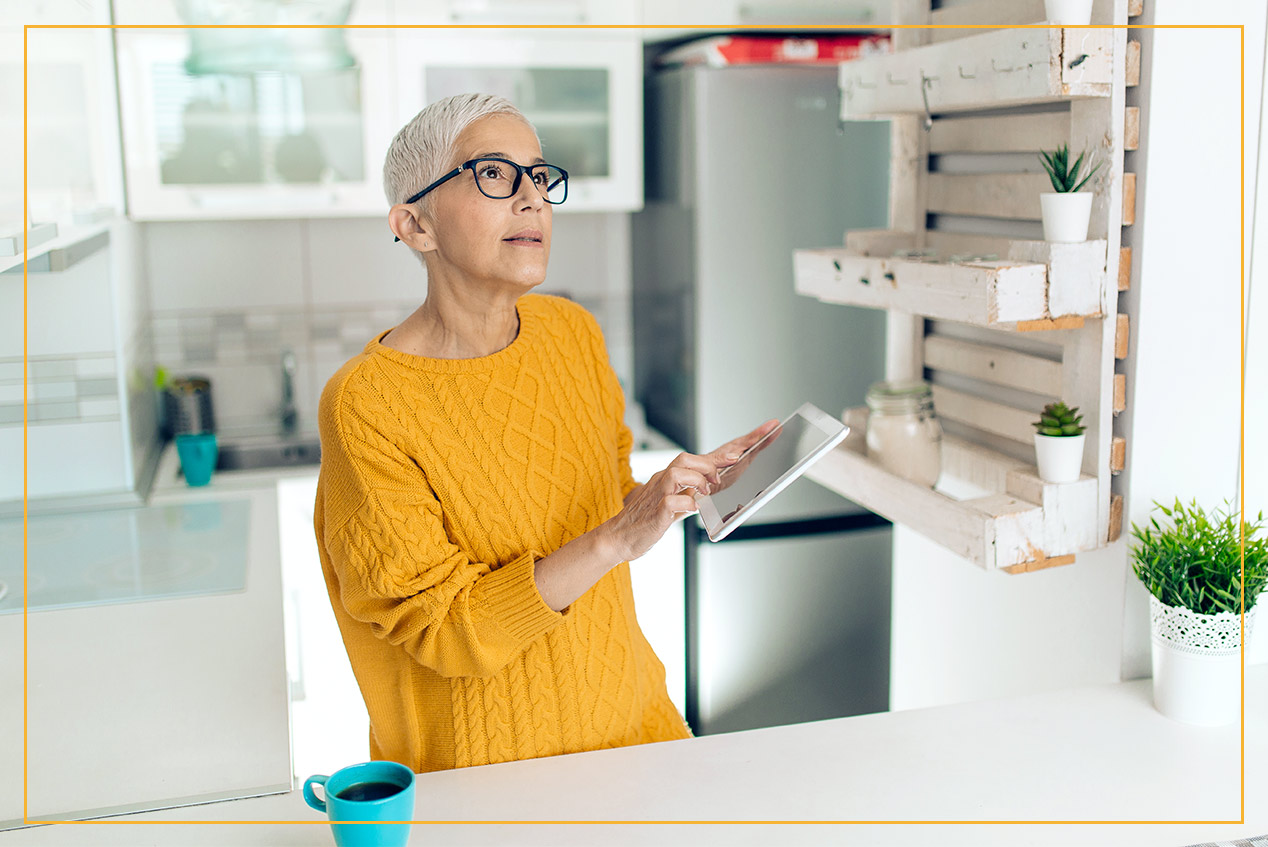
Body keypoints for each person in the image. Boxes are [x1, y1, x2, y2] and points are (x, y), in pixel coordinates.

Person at [314, 92, 776, 774]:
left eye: (539, 175)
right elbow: (445, 630)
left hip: (635, 731)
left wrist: (665, 498)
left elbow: (602, 516)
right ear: (416, 225)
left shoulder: (571, 332)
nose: (532, 197)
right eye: (494, 174)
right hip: (492, 780)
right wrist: (618, 535)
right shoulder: (365, 403)